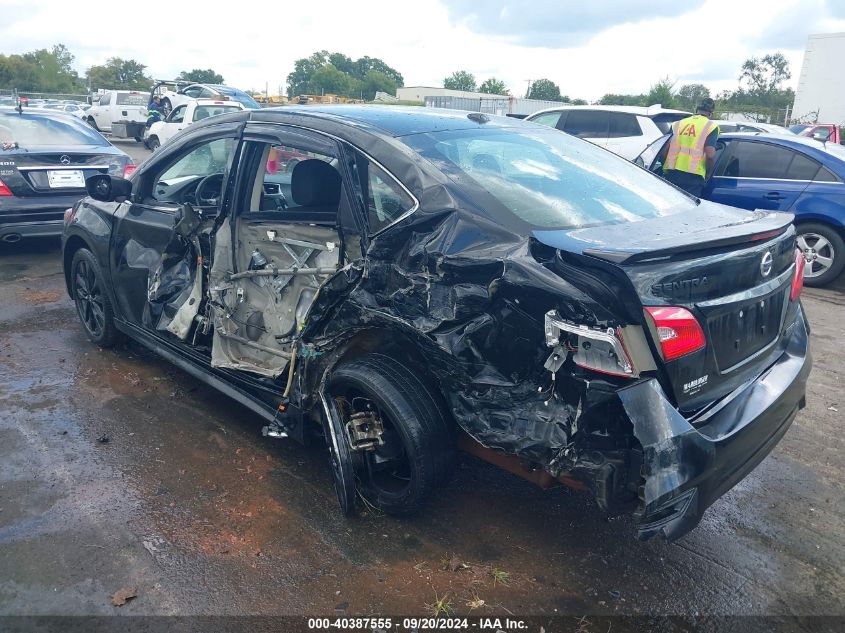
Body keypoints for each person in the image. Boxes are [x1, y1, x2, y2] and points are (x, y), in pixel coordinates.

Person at [661, 98, 720, 197]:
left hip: (671, 174)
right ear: (711, 113)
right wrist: (708, 174)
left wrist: (664, 166)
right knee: (687, 210)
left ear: (696, 110)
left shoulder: (678, 124)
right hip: (693, 178)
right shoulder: (711, 127)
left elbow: (664, 150)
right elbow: (710, 155)